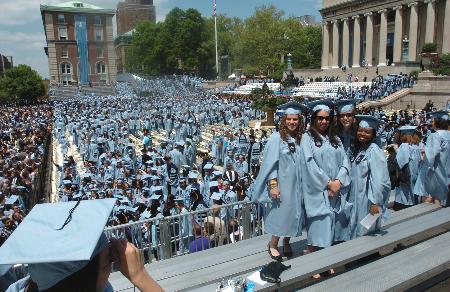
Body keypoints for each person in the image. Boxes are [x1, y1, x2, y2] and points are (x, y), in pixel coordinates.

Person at [0, 199, 163, 292]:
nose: (113, 264)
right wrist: (140, 276)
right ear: (82, 282)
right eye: (108, 262)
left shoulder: (26, 287)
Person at [253, 101, 307, 261]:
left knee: (294, 215)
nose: (292, 122)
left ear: (300, 121)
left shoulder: (300, 138)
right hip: (282, 185)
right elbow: (270, 164)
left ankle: (287, 241)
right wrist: (273, 185)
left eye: (295, 119)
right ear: (283, 120)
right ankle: (273, 244)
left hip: (297, 185)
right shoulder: (276, 138)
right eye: (289, 119)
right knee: (281, 214)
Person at [300, 100, 351, 255]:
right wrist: (328, 183)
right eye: (320, 118)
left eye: (327, 118)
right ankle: (313, 263)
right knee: (317, 229)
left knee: (332, 229)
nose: (323, 121)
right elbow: (309, 164)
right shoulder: (307, 138)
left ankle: (328, 261)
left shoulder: (335, 139)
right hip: (318, 191)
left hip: (336, 191)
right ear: (314, 119)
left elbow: (345, 161)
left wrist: (338, 182)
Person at [348, 115, 391, 239]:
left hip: (368, 199)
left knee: (366, 230)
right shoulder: (361, 149)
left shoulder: (374, 151)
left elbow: (379, 180)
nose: (362, 134)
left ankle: (367, 256)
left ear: (373, 134)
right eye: (360, 130)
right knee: (358, 228)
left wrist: (375, 202)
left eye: (367, 132)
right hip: (358, 197)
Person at [414, 110, 449, 206]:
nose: (431, 122)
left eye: (433, 120)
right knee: (440, 200)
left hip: (434, 173)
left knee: (429, 199)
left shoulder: (435, 136)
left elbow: (431, 156)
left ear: (438, 122)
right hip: (446, 172)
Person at [392, 126, 421, 210]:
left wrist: (396, 150)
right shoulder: (416, 146)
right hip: (414, 173)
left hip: (406, 175)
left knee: (404, 194)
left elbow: (402, 161)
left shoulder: (404, 146)